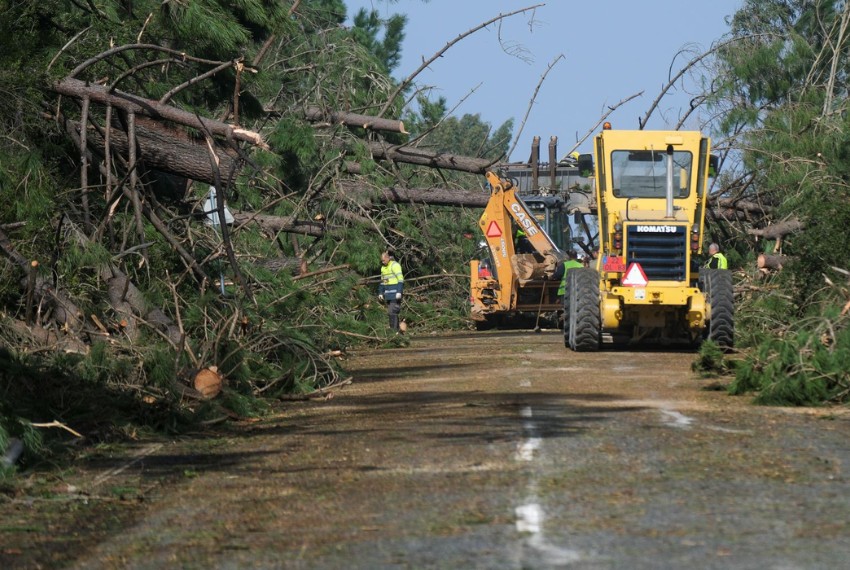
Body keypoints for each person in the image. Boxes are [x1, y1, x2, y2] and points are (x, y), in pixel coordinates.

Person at [378, 250, 405, 332]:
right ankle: (395, 331)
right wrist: (380, 293)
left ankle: (394, 332)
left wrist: (399, 291)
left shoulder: (395, 265)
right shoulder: (383, 268)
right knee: (391, 313)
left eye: (383, 260)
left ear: (388, 258)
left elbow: (400, 279)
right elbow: (383, 282)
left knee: (393, 312)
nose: (382, 262)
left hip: (395, 294)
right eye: (381, 261)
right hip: (388, 295)